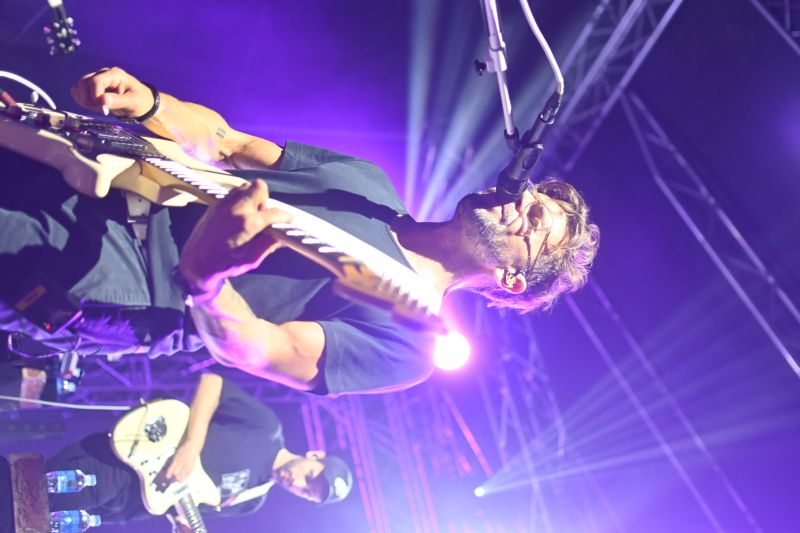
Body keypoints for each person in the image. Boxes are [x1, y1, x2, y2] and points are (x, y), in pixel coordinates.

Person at [0, 67, 599, 395]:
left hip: (125, 281)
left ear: (511, 279)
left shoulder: (411, 345)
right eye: (534, 193)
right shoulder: (366, 182)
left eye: (536, 221)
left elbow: (263, 350)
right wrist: (153, 103)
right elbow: (224, 142)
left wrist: (206, 281)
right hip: (103, 176)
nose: (522, 199)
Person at [46, 373, 354, 529]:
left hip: (124, 509)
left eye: (306, 492)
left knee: (34, 522)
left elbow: (181, 504)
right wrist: (191, 448)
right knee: (32, 495)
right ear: (315, 455)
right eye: (310, 477)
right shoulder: (266, 428)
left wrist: (182, 524)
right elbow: (213, 383)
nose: (298, 485)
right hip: (117, 466)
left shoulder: (251, 501)